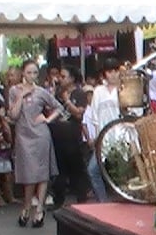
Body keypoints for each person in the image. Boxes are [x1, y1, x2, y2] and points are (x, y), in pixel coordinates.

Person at [9, 59, 65, 227]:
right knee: (29, 174)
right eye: (28, 72)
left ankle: (39, 208)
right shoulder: (14, 90)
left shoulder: (41, 92)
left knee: (42, 173)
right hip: (23, 136)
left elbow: (59, 107)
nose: (32, 76)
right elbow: (13, 115)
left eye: (35, 72)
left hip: (41, 135)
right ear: (22, 73)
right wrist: (21, 96)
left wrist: (47, 119)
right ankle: (26, 206)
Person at [50, 66, 90, 208]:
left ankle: (81, 198)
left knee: (77, 168)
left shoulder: (79, 93)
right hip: (58, 135)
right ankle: (58, 199)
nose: (60, 79)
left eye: (63, 76)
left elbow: (78, 114)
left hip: (72, 136)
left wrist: (67, 100)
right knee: (59, 169)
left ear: (72, 78)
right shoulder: (58, 93)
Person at [87, 58, 122, 203]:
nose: (113, 75)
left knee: (123, 172)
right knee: (93, 170)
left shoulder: (126, 88)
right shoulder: (98, 91)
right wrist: (95, 136)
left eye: (115, 71)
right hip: (104, 136)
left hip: (121, 136)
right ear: (104, 74)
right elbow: (94, 116)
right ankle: (103, 202)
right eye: (109, 71)